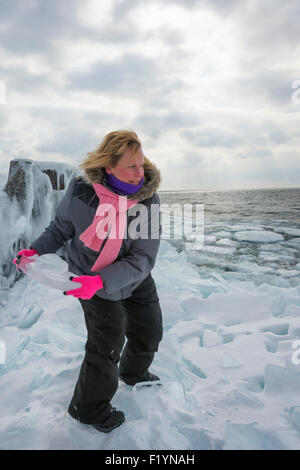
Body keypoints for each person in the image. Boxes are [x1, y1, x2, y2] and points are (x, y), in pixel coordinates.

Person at [13, 130, 163, 433]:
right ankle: (88, 410)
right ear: (109, 167)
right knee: (106, 344)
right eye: (131, 166)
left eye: (141, 163)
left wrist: (103, 280)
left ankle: (133, 372)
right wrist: (36, 249)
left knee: (149, 330)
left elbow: (143, 259)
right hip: (87, 277)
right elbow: (60, 228)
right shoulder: (82, 191)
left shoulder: (147, 200)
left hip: (132, 276)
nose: (140, 173)